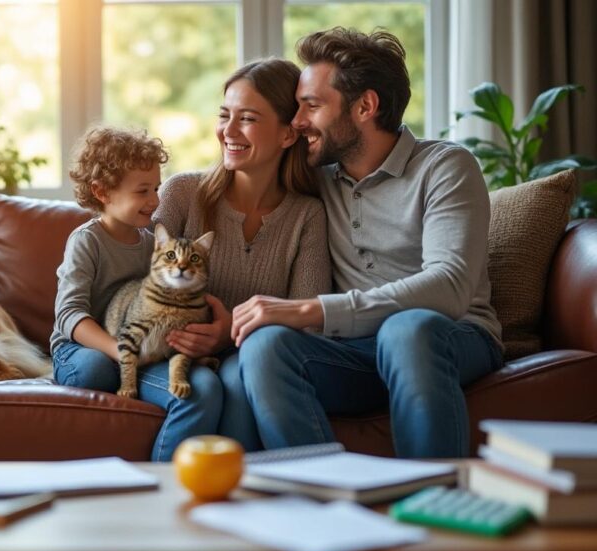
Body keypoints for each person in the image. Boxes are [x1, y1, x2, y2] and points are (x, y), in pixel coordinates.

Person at [223, 28, 504, 458]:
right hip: (354, 352)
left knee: (405, 330)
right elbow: (248, 167)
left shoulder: (444, 167)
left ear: (365, 106)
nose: (298, 122)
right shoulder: (316, 177)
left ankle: (432, 504)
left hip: (447, 337)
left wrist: (310, 310)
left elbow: (449, 286)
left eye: (312, 106)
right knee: (265, 346)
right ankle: (327, 503)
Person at [152, 58, 332, 452]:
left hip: (252, 357)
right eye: (224, 115)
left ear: (288, 135)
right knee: (219, 385)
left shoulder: (307, 215)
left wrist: (227, 330)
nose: (228, 131)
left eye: (247, 118)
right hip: (171, 348)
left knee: (237, 381)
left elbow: (307, 319)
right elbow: (134, 287)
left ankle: (251, 506)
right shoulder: (182, 194)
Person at [50, 126, 225, 462]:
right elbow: (69, 315)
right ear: (102, 192)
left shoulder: (154, 246)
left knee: (203, 388)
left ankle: (164, 478)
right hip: (83, 349)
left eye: (156, 188)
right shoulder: (87, 241)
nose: (156, 200)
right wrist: (118, 352)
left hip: (137, 350)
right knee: (94, 369)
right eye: (143, 191)